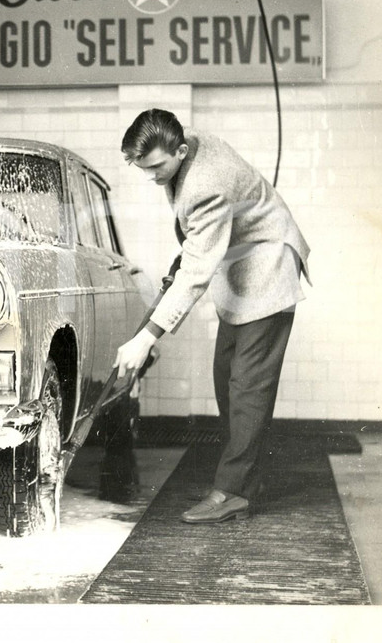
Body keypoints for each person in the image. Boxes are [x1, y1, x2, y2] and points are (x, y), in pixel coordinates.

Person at [114, 108, 310, 523]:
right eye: (144, 169)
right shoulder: (186, 147)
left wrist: (146, 337)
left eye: (157, 167)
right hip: (240, 263)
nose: (152, 176)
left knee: (247, 386)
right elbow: (197, 242)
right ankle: (245, 475)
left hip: (268, 263)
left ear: (181, 150)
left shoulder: (207, 182)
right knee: (227, 376)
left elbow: (198, 270)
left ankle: (234, 491)